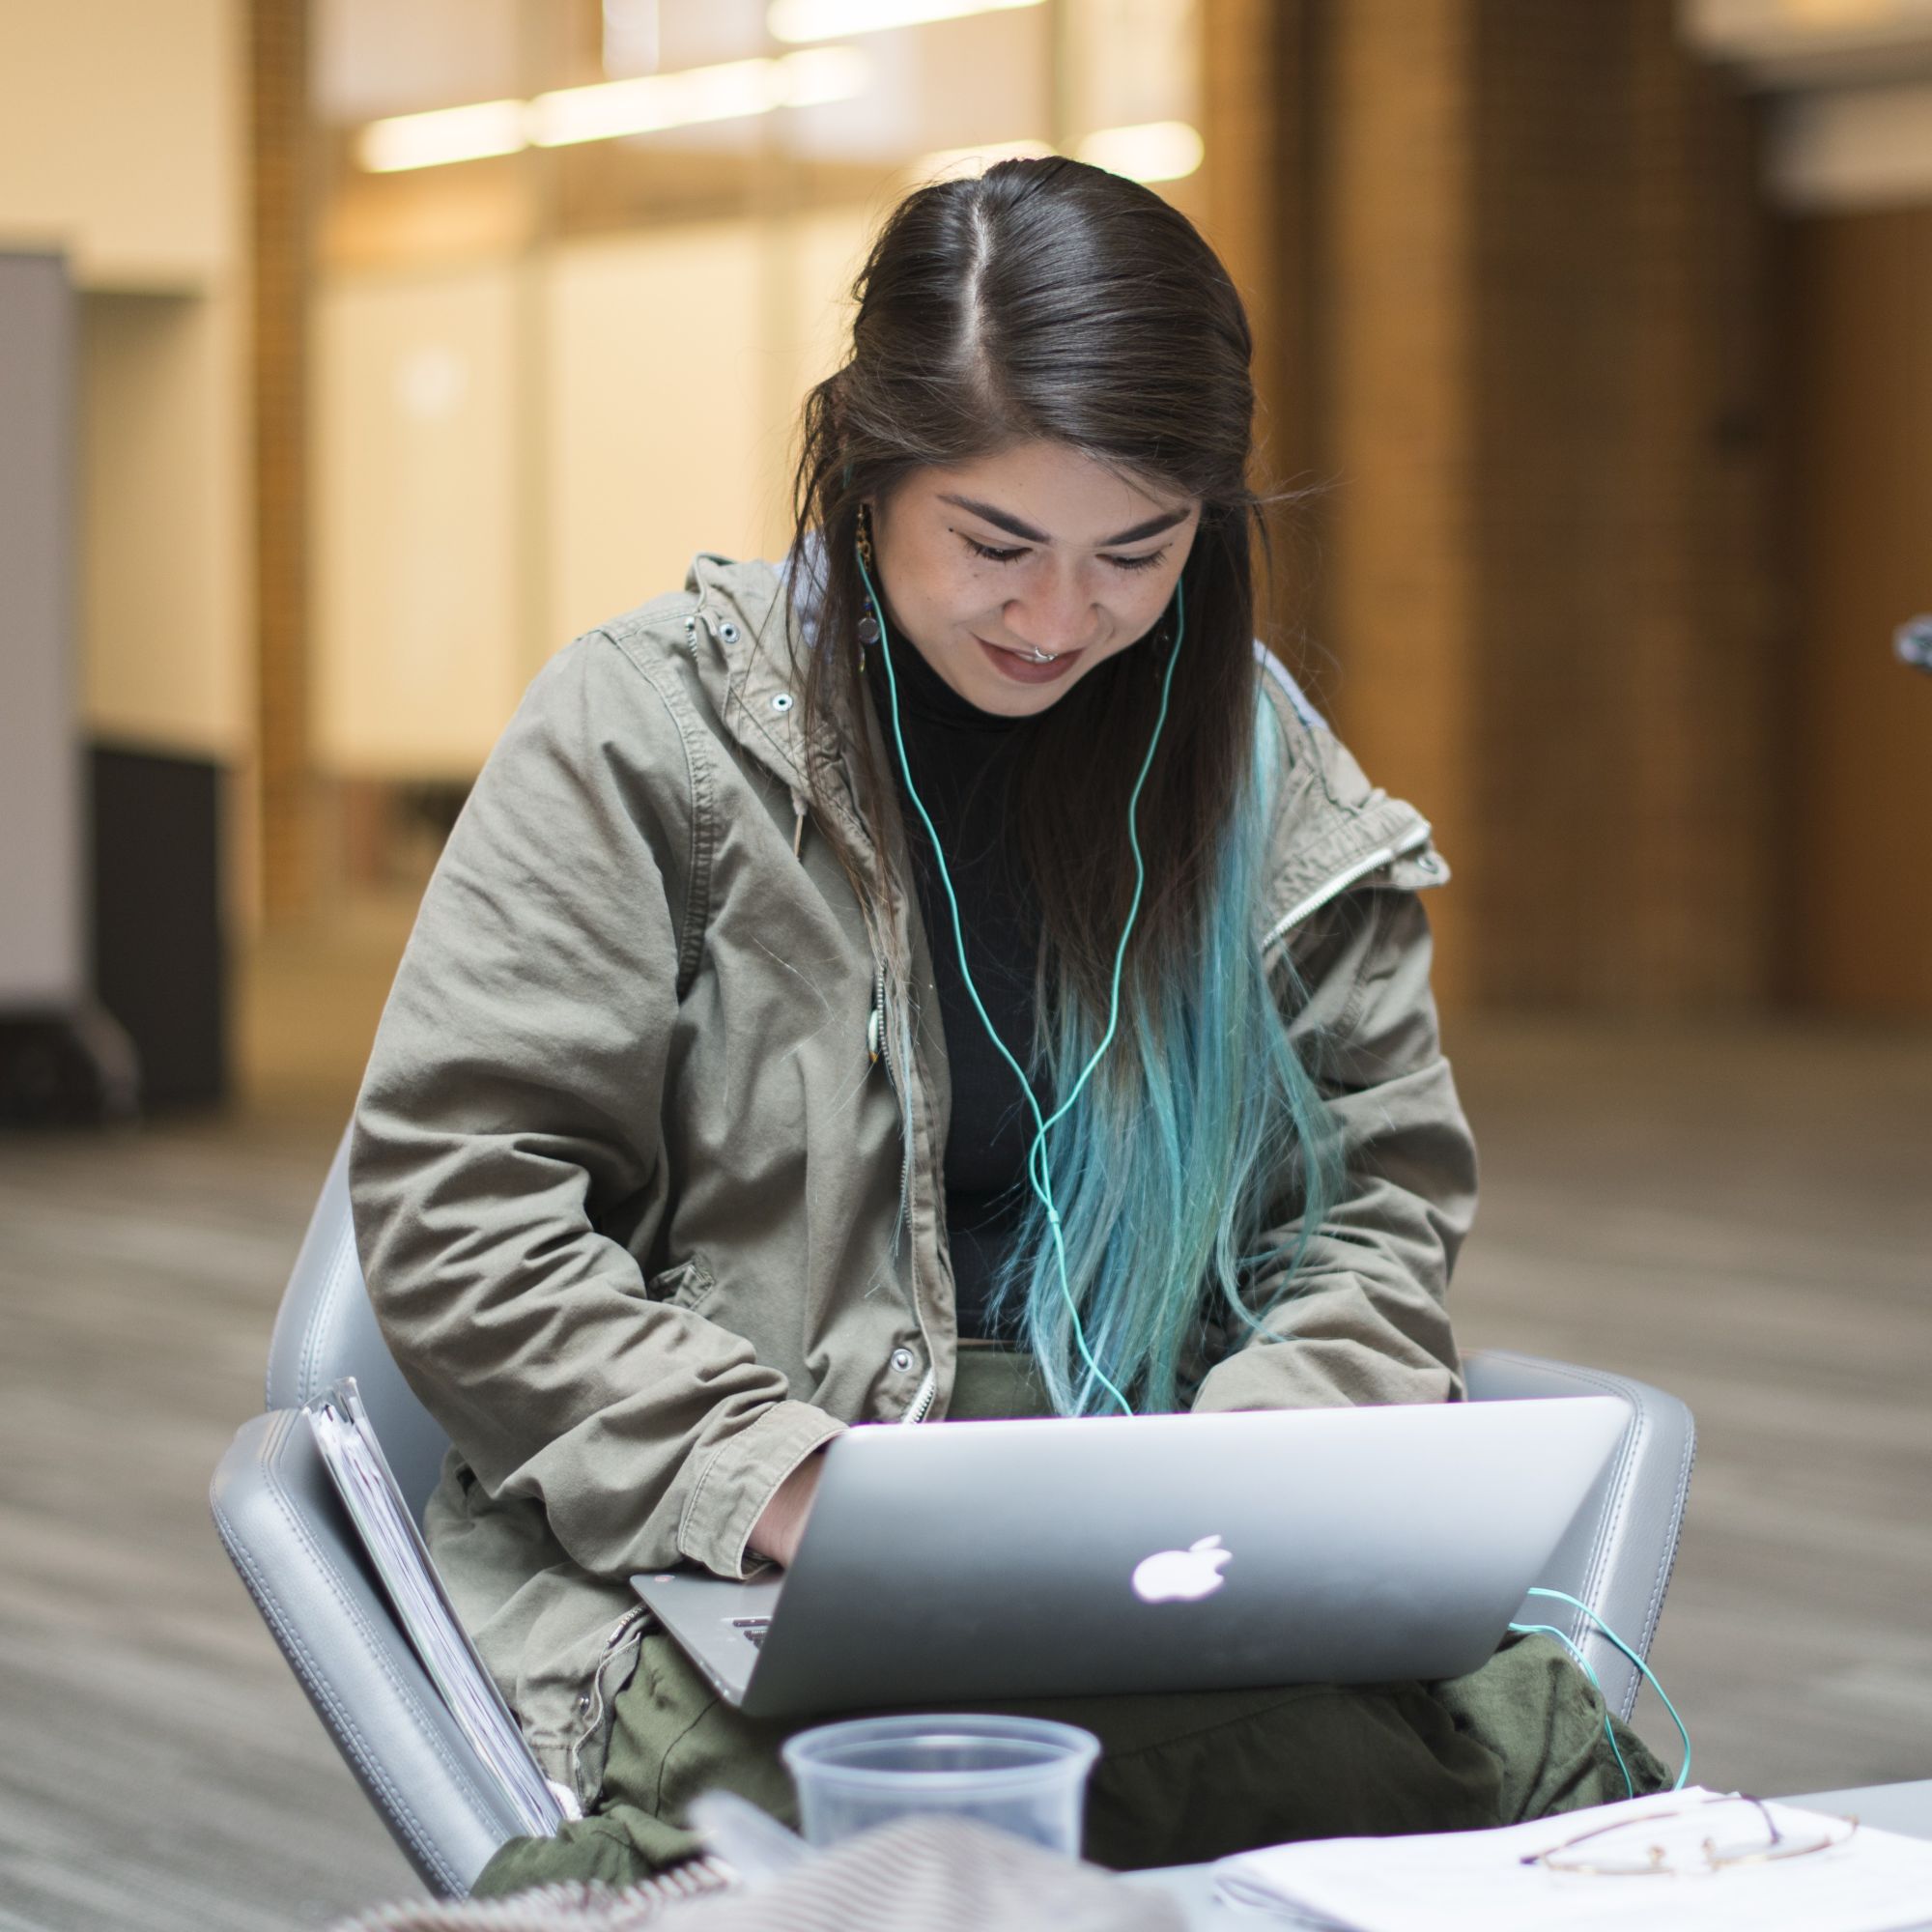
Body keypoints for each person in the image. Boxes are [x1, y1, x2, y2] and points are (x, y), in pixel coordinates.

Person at [349, 156, 1666, 1896]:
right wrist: (789, 1480)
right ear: (868, 471)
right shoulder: (646, 737)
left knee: (1528, 1791)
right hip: (741, 1530)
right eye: (997, 545)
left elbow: (1372, 1205)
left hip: (1167, 1523)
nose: (1062, 622)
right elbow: (462, 1212)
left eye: (1140, 551)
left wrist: (1265, 1464)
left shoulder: (1257, 771)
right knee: (887, 1839)